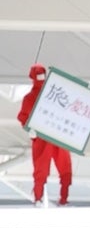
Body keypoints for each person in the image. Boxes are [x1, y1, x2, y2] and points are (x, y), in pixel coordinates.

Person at [16, 65, 72, 206]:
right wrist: (29, 129)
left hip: (57, 134)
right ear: (33, 77)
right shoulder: (29, 99)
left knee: (65, 166)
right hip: (41, 137)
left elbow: (72, 108)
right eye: (38, 75)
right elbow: (23, 117)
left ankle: (64, 198)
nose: (41, 77)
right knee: (41, 169)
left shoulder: (55, 94)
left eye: (42, 74)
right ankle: (38, 198)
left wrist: (89, 94)